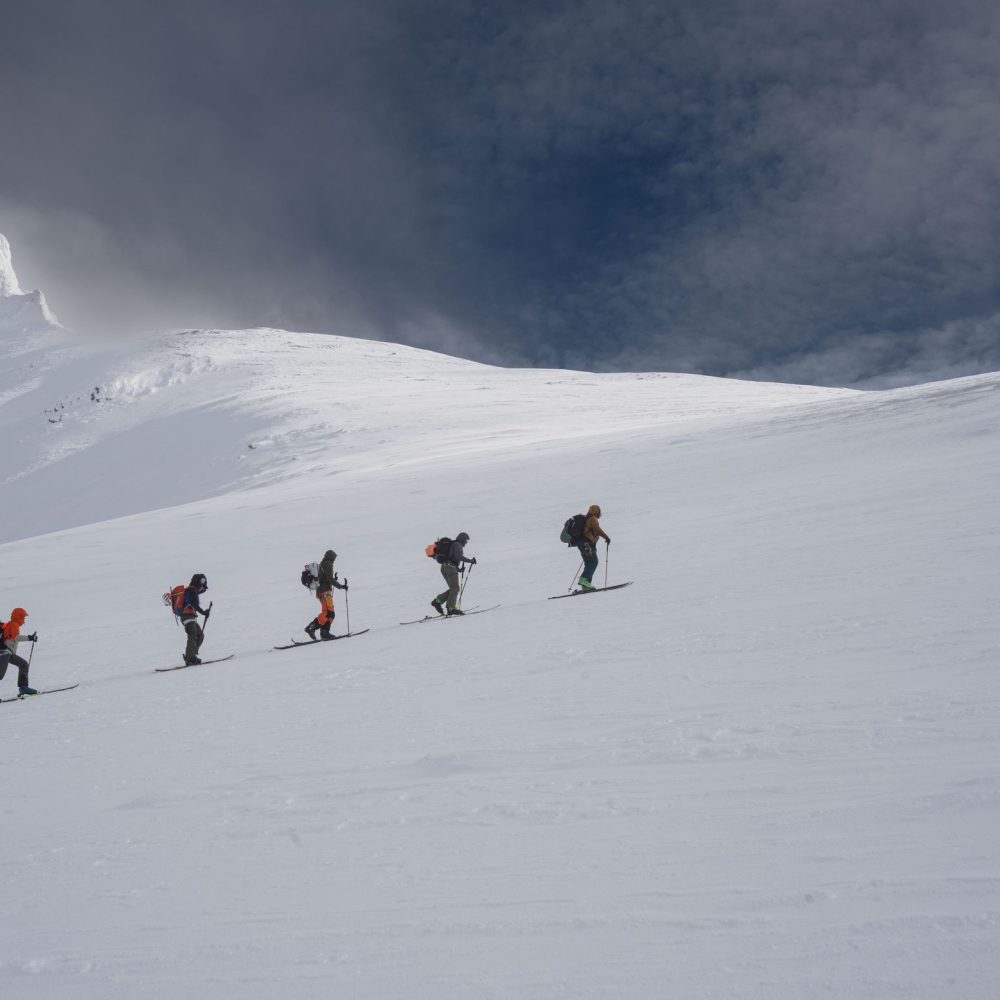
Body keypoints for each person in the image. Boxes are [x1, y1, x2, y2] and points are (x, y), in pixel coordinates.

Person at [305, 550, 348, 640]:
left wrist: (333, 579)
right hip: (325, 592)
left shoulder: (322, 564)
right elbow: (329, 579)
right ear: (330, 557)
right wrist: (341, 586)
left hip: (321, 592)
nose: (334, 560)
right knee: (329, 613)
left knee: (329, 613)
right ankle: (312, 628)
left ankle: (324, 632)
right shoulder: (328, 564)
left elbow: (325, 578)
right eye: (334, 558)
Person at [431, 532, 477, 616]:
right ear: (462, 539)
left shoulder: (454, 544)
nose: (466, 542)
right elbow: (458, 556)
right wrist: (470, 561)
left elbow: (452, 558)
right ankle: (451, 608)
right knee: (455, 588)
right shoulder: (458, 544)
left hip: (445, 567)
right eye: (466, 540)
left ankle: (438, 601)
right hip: (449, 567)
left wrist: (458, 569)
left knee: (453, 588)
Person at [0, 607, 38, 696]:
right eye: (23, 617)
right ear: (19, 616)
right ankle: (23, 688)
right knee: (0, 674)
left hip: (9, 653)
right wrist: (30, 637)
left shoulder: (11, 624)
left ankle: (23, 688)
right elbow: (16, 637)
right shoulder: (14, 624)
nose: (24, 619)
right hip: (4, 652)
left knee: (23, 664)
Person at [178, 574, 211, 665]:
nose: (202, 589)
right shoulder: (192, 590)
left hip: (190, 617)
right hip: (186, 616)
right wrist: (204, 612)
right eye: (202, 585)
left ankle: (192, 656)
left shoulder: (192, 590)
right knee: (193, 634)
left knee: (200, 635)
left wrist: (204, 612)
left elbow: (195, 602)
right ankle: (189, 658)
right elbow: (195, 605)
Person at [578, 504, 611, 591]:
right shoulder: (592, 519)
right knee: (593, 562)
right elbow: (597, 529)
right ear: (597, 511)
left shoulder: (586, 519)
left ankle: (586, 585)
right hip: (587, 544)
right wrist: (606, 537)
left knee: (589, 562)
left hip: (582, 544)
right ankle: (584, 580)